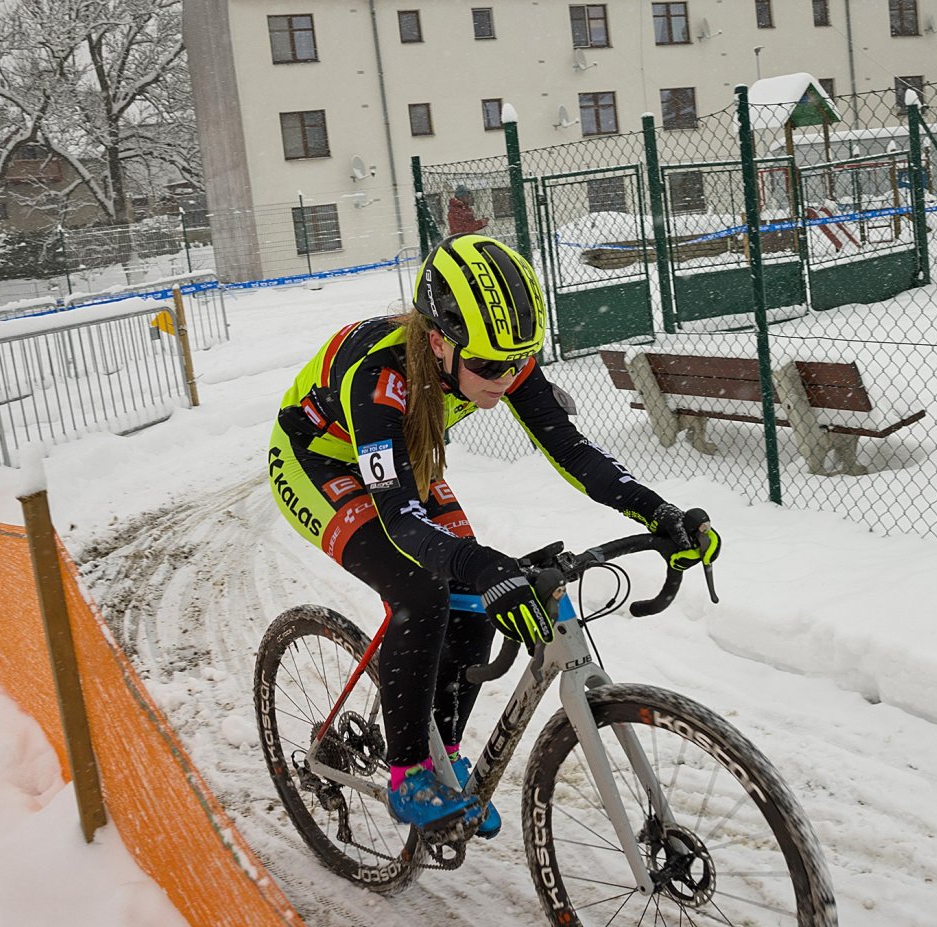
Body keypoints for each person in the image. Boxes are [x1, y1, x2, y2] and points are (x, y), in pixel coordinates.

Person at [266, 233, 720, 831]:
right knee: (421, 591)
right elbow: (398, 517)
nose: (504, 378)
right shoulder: (378, 377)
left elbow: (571, 450)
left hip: (399, 458)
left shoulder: (497, 356)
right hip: (317, 461)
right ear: (438, 341)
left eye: (517, 362)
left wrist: (656, 511)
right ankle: (408, 774)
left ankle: (445, 754)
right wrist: (478, 565)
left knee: (475, 592)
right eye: (486, 366)